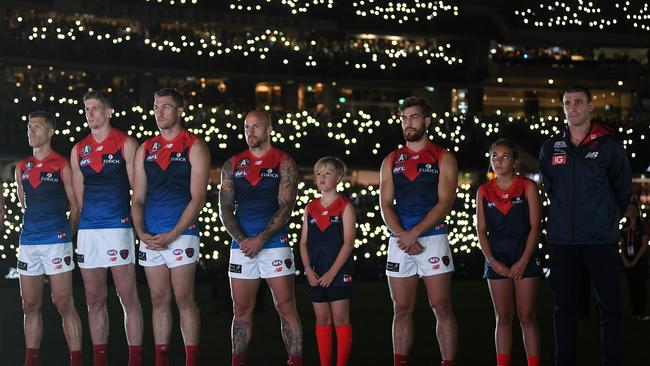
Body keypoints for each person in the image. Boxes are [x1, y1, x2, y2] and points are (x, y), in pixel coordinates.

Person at [539, 84, 632, 366]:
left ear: (591, 106)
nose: (573, 108)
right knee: (563, 308)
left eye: (579, 102)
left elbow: (623, 189)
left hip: (600, 239)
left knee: (609, 307)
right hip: (563, 241)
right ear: (563, 108)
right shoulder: (551, 147)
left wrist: (604, 220)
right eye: (568, 103)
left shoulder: (609, 145)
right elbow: (550, 188)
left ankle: (612, 361)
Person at [131, 88, 209, 366]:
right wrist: (141, 233)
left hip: (182, 235)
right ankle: (161, 361)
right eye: (156, 107)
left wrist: (174, 234)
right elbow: (137, 198)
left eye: (165, 107)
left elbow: (198, 198)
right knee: (158, 299)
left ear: (180, 110)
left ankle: (190, 360)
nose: (159, 112)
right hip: (151, 237)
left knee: (184, 298)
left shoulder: (194, 145)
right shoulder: (145, 148)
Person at [219, 110, 303, 366]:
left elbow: (286, 207)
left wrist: (260, 239)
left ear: (268, 130)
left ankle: (296, 361)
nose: (250, 132)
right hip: (241, 246)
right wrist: (245, 239)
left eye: (256, 126)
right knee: (241, 312)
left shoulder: (283, 161)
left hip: (275, 245)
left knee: (285, 307)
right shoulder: (232, 164)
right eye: (246, 127)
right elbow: (225, 208)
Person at [379, 96, 458, 366]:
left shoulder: (443, 157)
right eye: (404, 118)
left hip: (432, 238)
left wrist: (415, 233)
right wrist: (403, 234)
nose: (407, 123)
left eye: (413, 117)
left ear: (427, 120)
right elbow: (385, 204)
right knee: (401, 309)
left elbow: (445, 203)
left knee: (441, 307)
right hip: (399, 241)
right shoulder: (391, 159)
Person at [70, 90, 143, 366]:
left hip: (117, 228)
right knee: (93, 299)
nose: (90, 113)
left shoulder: (125, 143)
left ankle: (134, 359)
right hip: (89, 232)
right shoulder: (79, 149)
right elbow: (78, 201)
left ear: (108, 112)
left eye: (95, 108)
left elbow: (138, 192)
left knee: (127, 296)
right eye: (87, 108)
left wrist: (139, 229)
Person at [16, 111, 83, 366]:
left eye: (37, 126)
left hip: (56, 242)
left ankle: (75, 360)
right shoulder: (21, 167)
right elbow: (25, 205)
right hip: (29, 243)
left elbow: (76, 207)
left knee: (64, 303)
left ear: (51, 132)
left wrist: (65, 235)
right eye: (29, 126)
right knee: (29, 305)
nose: (31, 130)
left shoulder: (62, 164)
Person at [476, 139, 541, 366]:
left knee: (527, 316)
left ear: (515, 162)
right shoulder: (483, 191)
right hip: (497, 259)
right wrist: (492, 261)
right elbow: (481, 230)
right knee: (503, 318)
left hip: (524, 257)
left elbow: (535, 227)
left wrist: (523, 261)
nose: (499, 161)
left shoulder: (528, 187)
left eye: (505, 157)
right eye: (495, 156)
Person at [299, 156, 355, 366]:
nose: (322, 177)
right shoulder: (310, 207)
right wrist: (308, 269)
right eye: (319, 173)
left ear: (339, 177)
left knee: (340, 320)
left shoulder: (345, 206)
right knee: (322, 320)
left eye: (328, 173)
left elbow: (348, 243)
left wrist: (332, 273)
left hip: (338, 272)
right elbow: (303, 243)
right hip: (316, 272)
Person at [619, 202, 649, 320]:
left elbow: (645, 245)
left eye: (633, 210)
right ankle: (634, 312)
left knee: (640, 287)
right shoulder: (625, 226)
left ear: (637, 212)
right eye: (629, 210)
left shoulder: (643, 225)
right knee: (631, 287)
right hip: (628, 261)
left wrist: (635, 260)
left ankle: (640, 312)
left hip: (640, 261)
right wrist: (625, 260)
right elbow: (621, 244)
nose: (631, 212)